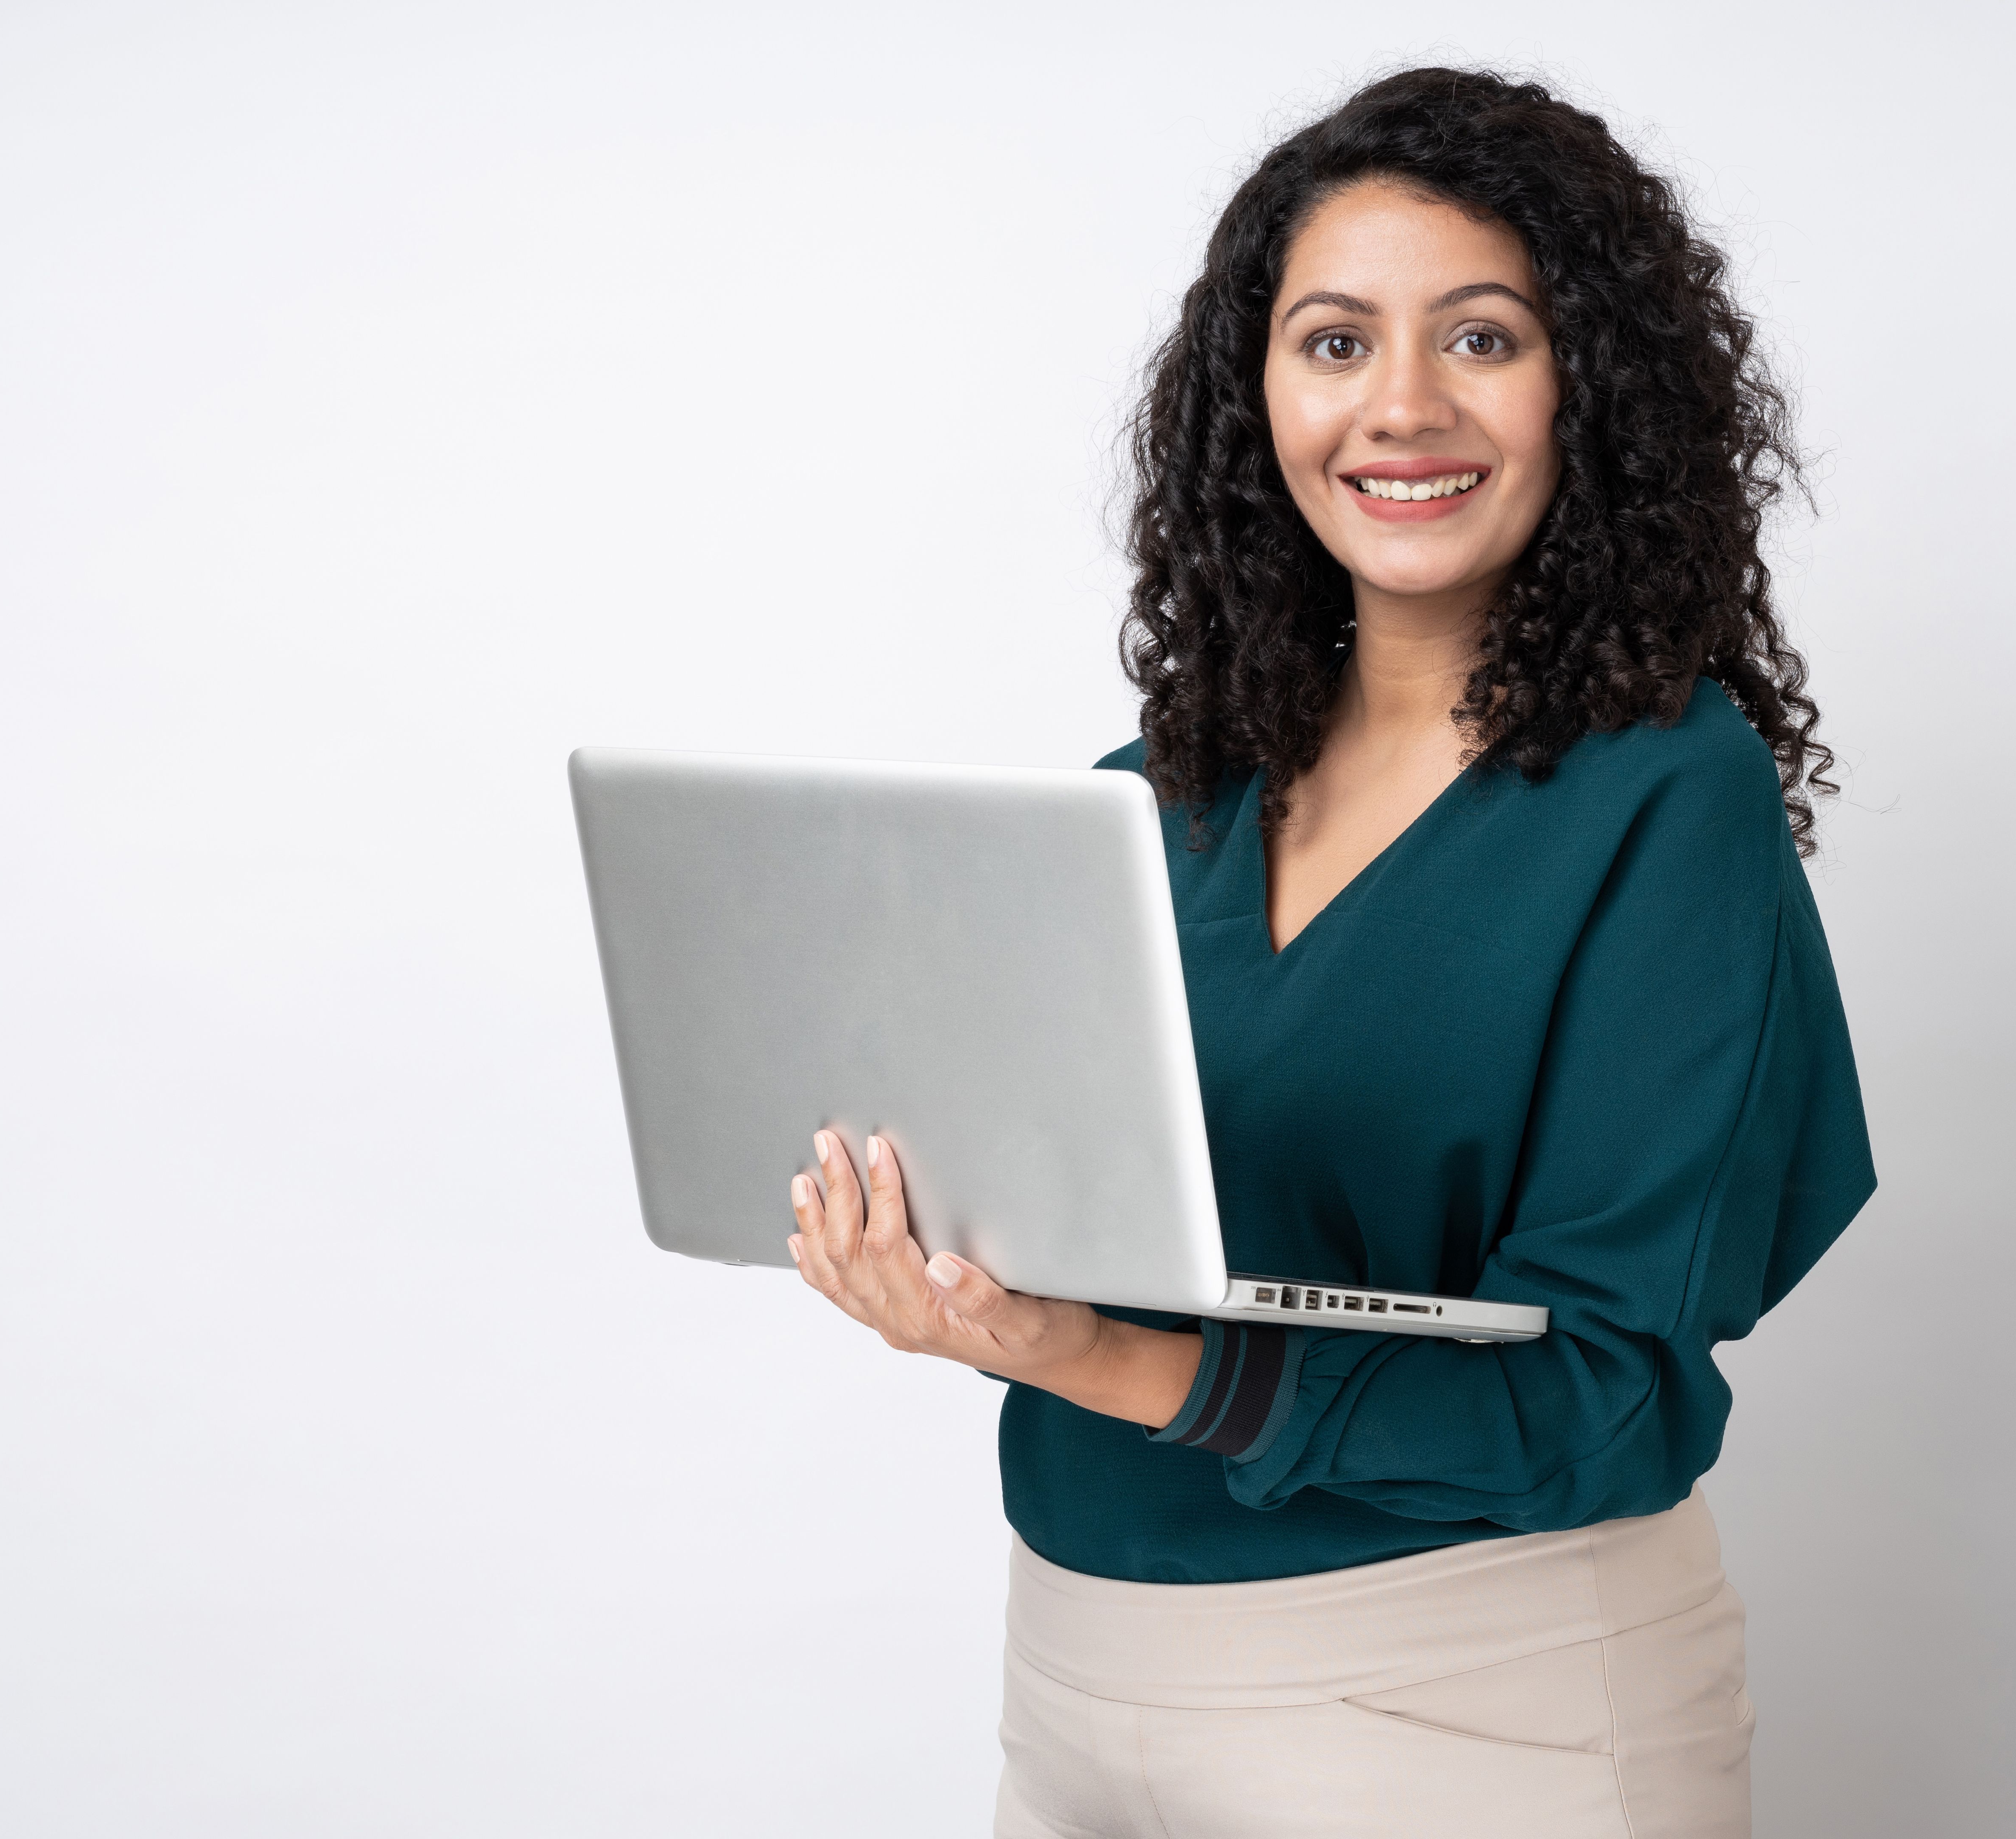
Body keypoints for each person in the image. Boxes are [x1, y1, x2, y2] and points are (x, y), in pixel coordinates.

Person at [785, 66, 1875, 1838]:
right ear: (1257, 394)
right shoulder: (1152, 803)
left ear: (1588, 387)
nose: (1405, 407)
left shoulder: (1670, 796)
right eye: (1337, 342)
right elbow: (1090, 1236)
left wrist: (1079, 1352)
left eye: (1485, 339)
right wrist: (946, 1269)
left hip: (1468, 1701)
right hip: (1073, 1674)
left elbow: (1598, 1393)